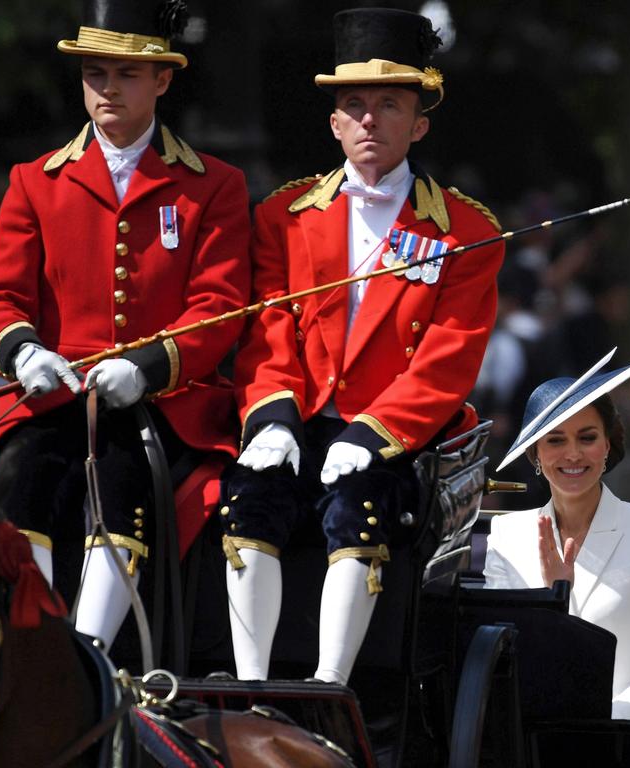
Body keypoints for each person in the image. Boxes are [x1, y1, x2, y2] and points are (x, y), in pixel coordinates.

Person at [223, 8, 504, 683]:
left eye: (388, 104)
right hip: (297, 420)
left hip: (389, 439)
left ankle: (328, 688)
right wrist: (271, 416)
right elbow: (268, 329)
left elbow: (450, 357)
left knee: (361, 506)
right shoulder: (282, 217)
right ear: (334, 124)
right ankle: (252, 686)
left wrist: (374, 432)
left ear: (419, 123)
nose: (370, 119)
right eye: (355, 105)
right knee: (246, 496)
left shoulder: (465, 229)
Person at [0, 0, 251, 649]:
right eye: (95, 74)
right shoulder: (34, 182)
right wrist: (23, 354)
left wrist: (147, 367)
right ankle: (34, 648)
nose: (107, 89)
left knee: (123, 479)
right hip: (51, 394)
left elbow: (219, 307)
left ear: (163, 80)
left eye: (125, 75)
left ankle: (88, 656)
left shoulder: (214, 185)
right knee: (22, 477)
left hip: (159, 400)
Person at [484, 351, 630, 751]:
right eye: (555, 440)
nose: (573, 454)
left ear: (608, 446)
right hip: (529, 740)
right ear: (536, 455)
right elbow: (503, 663)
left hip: (625, 739)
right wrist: (552, 600)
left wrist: (609, 727)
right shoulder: (505, 534)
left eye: (587, 437)